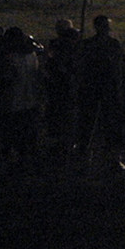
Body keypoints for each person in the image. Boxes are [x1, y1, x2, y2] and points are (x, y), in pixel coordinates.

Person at [76, 15, 125, 172]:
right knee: (89, 125)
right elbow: (82, 69)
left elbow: (120, 69)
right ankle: (85, 156)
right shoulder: (88, 45)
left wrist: (122, 88)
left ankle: (113, 158)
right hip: (93, 92)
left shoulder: (113, 45)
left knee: (113, 126)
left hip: (111, 92)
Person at [0, 27, 43, 173]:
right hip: (30, 101)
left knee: (12, 133)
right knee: (27, 132)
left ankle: (13, 160)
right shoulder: (32, 55)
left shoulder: (10, 58)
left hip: (13, 102)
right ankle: (26, 160)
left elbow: (6, 79)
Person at [43, 19, 79, 167]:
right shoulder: (58, 47)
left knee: (64, 115)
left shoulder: (70, 47)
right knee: (61, 115)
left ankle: (64, 142)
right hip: (60, 88)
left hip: (64, 88)